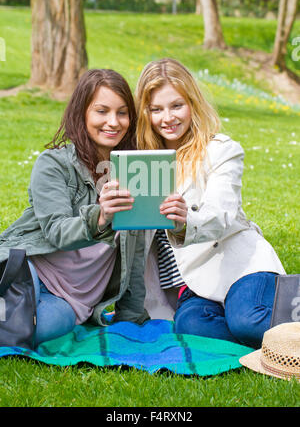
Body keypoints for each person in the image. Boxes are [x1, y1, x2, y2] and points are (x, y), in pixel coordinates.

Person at [135, 58, 286, 349]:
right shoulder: (140, 163)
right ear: (146, 112)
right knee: (189, 326)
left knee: (247, 321)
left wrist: (184, 222)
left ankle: (278, 307)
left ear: (192, 104)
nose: (167, 117)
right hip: (196, 284)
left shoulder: (221, 151)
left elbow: (221, 214)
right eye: (156, 109)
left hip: (240, 265)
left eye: (177, 105)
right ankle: (264, 333)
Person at [0, 68, 150, 347]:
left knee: (38, 330)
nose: (113, 122)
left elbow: (135, 255)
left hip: (70, 301)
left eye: (122, 112)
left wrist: (129, 318)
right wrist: (101, 217)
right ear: (82, 113)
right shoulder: (54, 164)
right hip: (31, 269)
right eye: (101, 111)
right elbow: (56, 231)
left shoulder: (135, 172)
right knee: (12, 315)